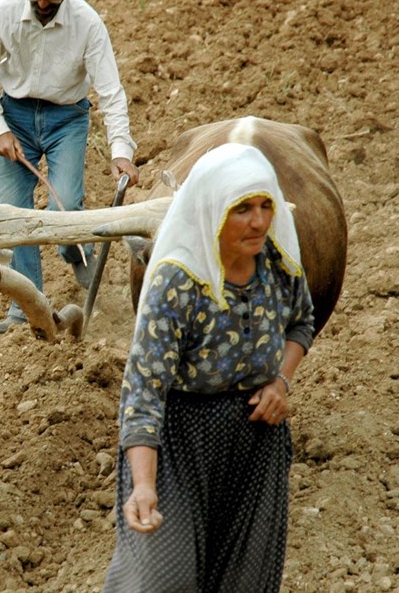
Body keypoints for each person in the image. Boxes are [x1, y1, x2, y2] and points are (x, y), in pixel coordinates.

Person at [103, 143, 316, 592]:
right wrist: (143, 486)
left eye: (265, 206)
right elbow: (143, 391)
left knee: (246, 582)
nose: (258, 222)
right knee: (164, 581)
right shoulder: (177, 282)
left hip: (256, 445)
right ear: (213, 213)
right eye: (242, 209)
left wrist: (281, 380)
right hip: (180, 442)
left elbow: (302, 322)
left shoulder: (279, 267)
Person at [0, 0, 139, 336]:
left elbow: (110, 90)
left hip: (68, 119)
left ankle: (73, 248)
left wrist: (121, 152)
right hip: (16, 116)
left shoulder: (88, 24)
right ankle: (25, 309)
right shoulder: (0, 15)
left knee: (64, 205)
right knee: (15, 217)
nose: (41, 0)